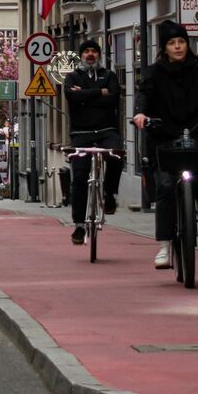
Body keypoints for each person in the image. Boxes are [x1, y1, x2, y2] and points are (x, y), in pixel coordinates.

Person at [132, 18, 198, 270]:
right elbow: (144, 93)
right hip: (164, 134)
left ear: (187, 45)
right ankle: (164, 246)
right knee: (165, 185)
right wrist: (140, 114)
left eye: (181, 42)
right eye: (172, 43)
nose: (177, 47)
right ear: (164, 48)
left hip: (195, 130)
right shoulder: (154, 72)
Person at [63, 36, 124, 245]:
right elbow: (73, 97)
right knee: (79, 177)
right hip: (81, 133)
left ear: (99, 54)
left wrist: (87, 96)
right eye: (86, 51)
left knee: (116, 156)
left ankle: (109, 193)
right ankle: (79, 226)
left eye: (94, 51)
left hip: (107, 130)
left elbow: (114, 97)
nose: (90, 54)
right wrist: (100, 93)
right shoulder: (72, 77)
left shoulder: (110, 75)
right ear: (81, 56)